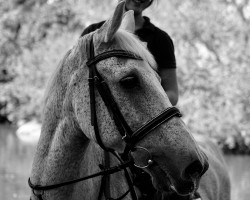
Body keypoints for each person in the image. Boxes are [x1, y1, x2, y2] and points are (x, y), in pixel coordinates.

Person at [81, 0, 179, 106]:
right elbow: (79, 81)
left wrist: (140, 103)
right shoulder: (93, 32)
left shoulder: (160, 39)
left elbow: (172, 93)